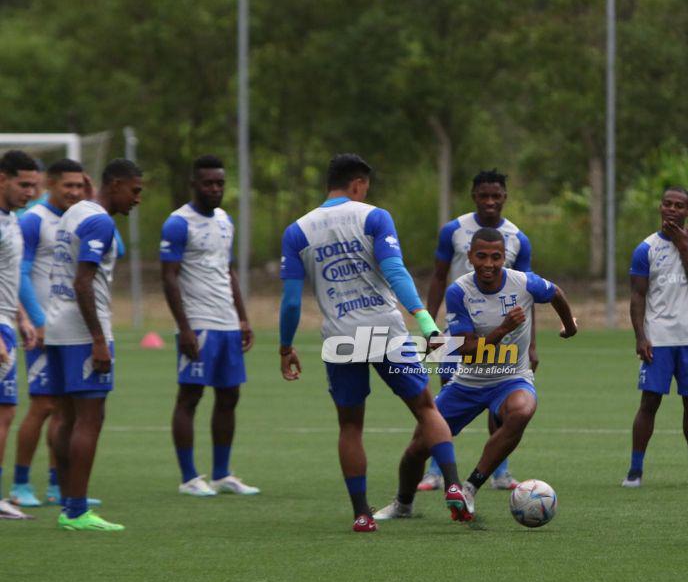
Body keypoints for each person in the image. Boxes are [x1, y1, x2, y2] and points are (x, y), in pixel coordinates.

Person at [278, 153, 472, 532]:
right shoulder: (373, 217)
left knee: (350, 426)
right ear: (358, 184)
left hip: (341, 338)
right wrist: (427, 322)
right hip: (385, 330)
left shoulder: (297, 231)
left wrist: (286, 347)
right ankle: (452, 484)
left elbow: (289, 301)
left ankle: (362, 514)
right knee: (425, 407)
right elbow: (395, 271)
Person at [374, 227, 577, 521]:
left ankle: (469, 488)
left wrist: (569, 326)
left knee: (521, 411)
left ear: (504, 258)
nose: (489, 264)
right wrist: (505, 328)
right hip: (468, 382)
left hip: (511, 378)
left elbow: (555, 292)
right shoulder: (459, 291)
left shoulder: (523, 283)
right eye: (481, 256)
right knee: (418, 448)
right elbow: (467, 350)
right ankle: (403, 504)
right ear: (470, 257)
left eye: (496, 257)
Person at [418, 169, 532, 491]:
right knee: (447, 397)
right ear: (474, 197)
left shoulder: (518, 238)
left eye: (496, 196)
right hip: (457, 331)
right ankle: (434, 470)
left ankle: (501, 471)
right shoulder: (453, 231)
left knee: (500, 399)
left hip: (503, 336)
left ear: (505, 197)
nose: (490, 202)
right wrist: (429, 324)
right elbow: (439, 276)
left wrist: (532, 346)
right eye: (484, 195)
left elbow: (529, 295)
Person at [48, 158, 143, 531]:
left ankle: (67, 502)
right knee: (90, 419)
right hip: (83, 332)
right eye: (134, 190)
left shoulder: (73, 213)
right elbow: (83, 283)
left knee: (65, 418)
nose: (137, 199)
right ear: (115, 184)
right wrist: (99, 340)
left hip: (56, 326)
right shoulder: (99, 222)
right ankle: (76, 511)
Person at [161, 155, 258, 497]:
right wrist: (184, 328)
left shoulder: (224, 220)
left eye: (220, 183)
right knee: (190, 395)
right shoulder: (177, 223)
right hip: (198, 323)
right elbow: (169, 279)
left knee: (229, 394)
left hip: (227, 323)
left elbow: (227, 271)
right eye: (208, 183)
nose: (215, 189)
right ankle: (189, 477)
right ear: (194, 184)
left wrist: (242, 317)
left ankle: (221, 474)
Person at [9, 160, 90, 509]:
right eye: (68, 186)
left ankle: (59, 486)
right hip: (43, 328)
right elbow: (20, 273)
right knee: (42, 405)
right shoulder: (32, 220)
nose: (74, 192)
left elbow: (116, 248)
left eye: (79, 186)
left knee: (65, 408)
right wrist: (37, 320)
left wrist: (93, 198)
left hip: (69, 329)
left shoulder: (81, 217)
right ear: (51, 185)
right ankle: (21, 484)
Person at [623, 187, 688, 488]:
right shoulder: (645, 249)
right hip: (658, 340)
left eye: (680, 206)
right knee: (649, 403)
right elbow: (637, 296)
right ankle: (635, 471)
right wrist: (640, 336)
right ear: (660, 208)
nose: (673, 209)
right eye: (668, 204)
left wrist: (683, 247)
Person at [0, 151, 39, 520]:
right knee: (4, 411)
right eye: (23, 184)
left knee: (6, 411)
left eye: (34, 185)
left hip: (7, 322)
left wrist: (22, 316)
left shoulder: (11, 220)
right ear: (2, 179)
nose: (30, 192)